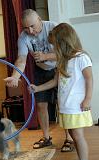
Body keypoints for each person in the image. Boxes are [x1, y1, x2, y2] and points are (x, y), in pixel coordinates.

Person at [30, 23, 93, 160]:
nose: (54, 48)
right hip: (66, 106)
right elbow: (55, 81)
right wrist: (37, 89)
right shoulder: (63, 61)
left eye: (56, 45)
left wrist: (88, 99)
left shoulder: (81, 57)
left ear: (64, 42)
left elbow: (89, 79)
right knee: (72, 134)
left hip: (77, 106)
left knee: (78, 136)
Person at [4, 9, 73, 150]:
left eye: (32, 26)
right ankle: (46, 137)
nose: (29, 30)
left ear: (40, 20)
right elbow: (21, 59)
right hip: (41, 70)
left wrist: (45, 56)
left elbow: (66, 52)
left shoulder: (53, 27)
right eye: (26, 27)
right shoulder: (23, 37)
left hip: (60, 67)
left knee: (63, 104)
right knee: (41, 104)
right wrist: (15, 77)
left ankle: (69, 138)